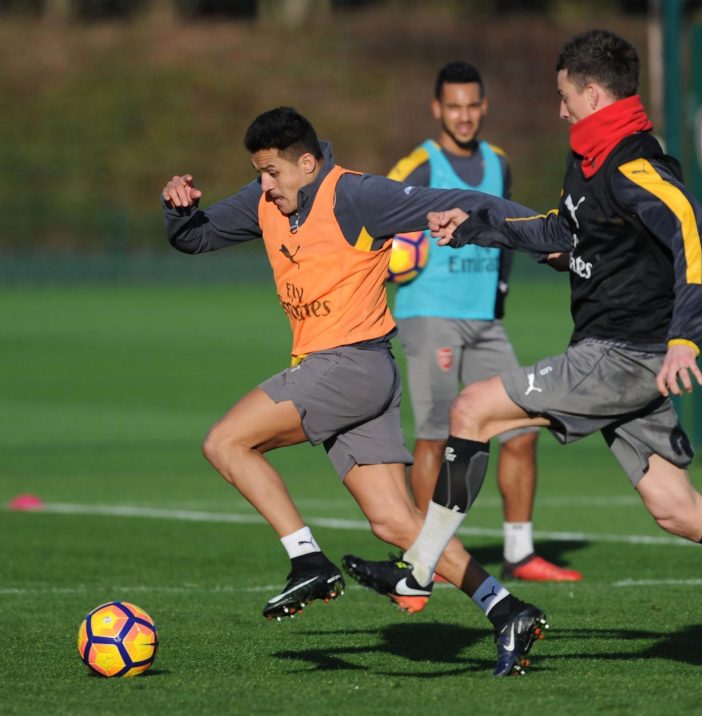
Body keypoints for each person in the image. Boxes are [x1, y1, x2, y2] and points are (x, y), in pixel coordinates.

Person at [341, 30, 702, 679]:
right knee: (677, 507)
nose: (557, 110)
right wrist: (472, 224)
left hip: (622, 357)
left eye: (563, 97)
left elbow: (696, 236)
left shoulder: (635, 165)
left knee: (472, 410)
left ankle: (417, 573)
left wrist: (685, 337)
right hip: (611, 353)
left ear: (591, 93)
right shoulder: (589, 160)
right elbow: (562, 228)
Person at [160, 106, 547, 676]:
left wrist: (550, 234)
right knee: (396, 524)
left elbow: (465, 203)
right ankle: (505, 607)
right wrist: (179, 212)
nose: (264, 186)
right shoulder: (265, 200)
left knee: (225, 443)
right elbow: (196, 239)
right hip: (357, 375)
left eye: (272, 173)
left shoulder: (356, 196)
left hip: (346, 368)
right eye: (260, 173)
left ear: (308, 164)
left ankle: (306, 560)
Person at [386, 61, 580, 582]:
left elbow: (510, 231)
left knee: (520, 430)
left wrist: (500, 293)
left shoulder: (499, 162)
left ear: (484, 106)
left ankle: (519, 552)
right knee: (433, 438)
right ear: (437, 109)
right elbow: (378, 216)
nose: (465, 116)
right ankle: (423, 565)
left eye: (473, 106)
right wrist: (396, 259)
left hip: (485, 322)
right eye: (454, 106)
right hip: (431, 316)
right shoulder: (419, 165)